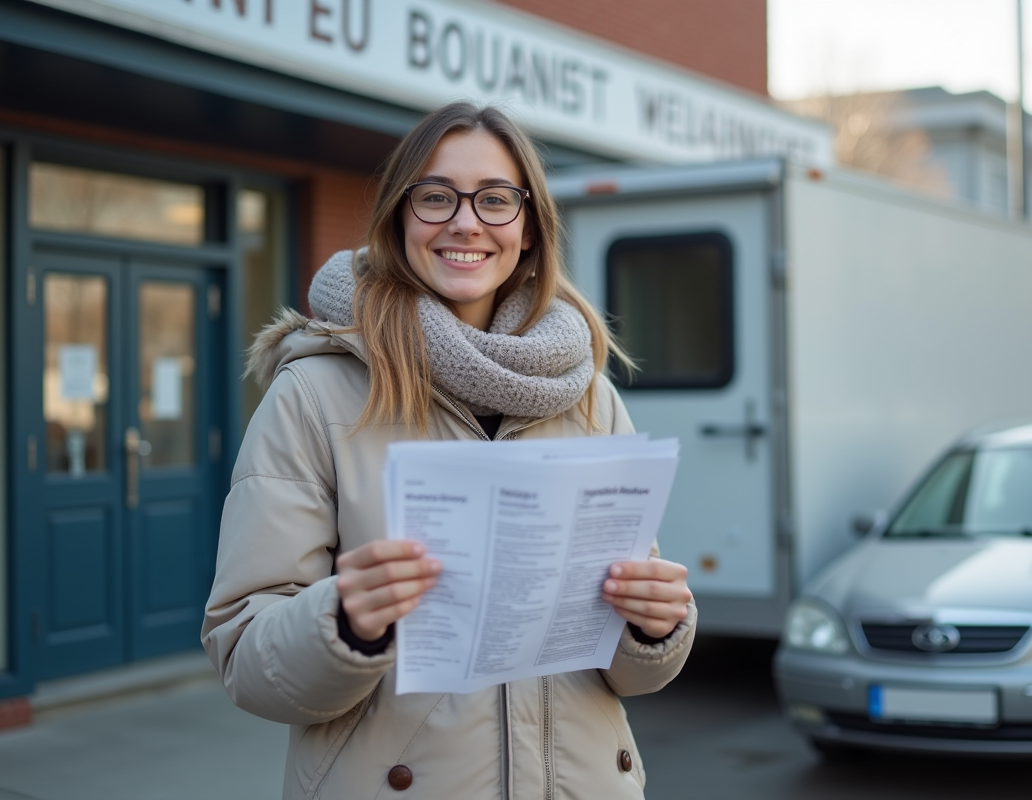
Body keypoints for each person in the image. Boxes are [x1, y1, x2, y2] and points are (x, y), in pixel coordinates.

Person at [201, 101, 697, 799]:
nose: (466, 222)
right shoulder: (313, 395)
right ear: (401, 217)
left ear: (527, 229)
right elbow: (245, 658)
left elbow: (631, 673)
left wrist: (656, 627)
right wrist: (345, 620)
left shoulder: (589, 395)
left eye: (496, 200)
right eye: (436, 197)